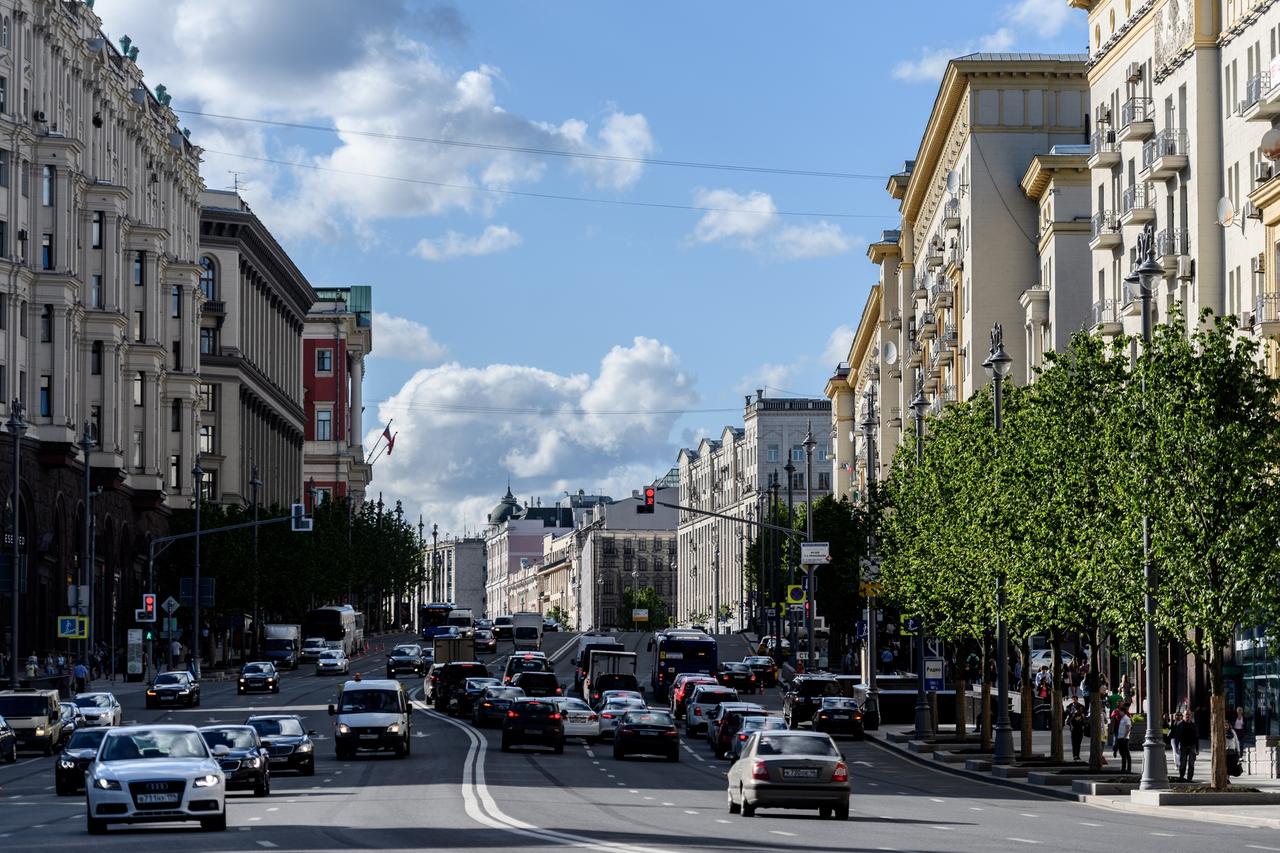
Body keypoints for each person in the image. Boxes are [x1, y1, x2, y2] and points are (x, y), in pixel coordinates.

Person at [1172, 712, 1198, 782]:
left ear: (1191, 716)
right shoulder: (1180, 725)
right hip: (1183, 746)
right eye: (1186, 714)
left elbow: (1196, 737)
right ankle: (1181, 777)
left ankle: (1190, 778)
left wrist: (1197, 748)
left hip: (1192, 746)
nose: (1187, 716)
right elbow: (1177, 737)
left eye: (1189, 714)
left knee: (1191, 764)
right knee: (1183, 763)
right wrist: (1176, 746)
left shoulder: (1193, 725)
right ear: (1183, 716)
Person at [1115, 702, 1133, 774]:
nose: (1119, 713)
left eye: (1120, 711)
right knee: (1122, 753)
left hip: (1124, 738)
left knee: (1126, 753)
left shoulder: (1126, 718)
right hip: (1120, 737)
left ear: (1123, 712)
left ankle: (1128, 768)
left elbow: (1128, 728)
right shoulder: (1122, 719)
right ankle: (1123, 768)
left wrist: (1125, 737)